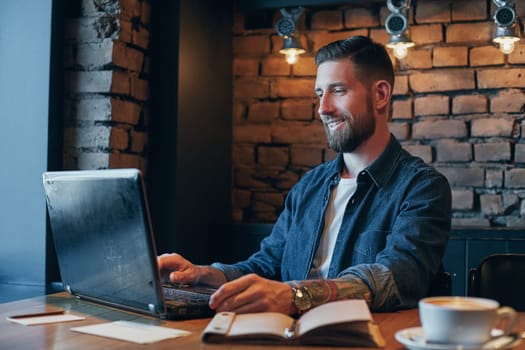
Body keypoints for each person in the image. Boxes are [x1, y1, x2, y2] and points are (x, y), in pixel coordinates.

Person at [158, 35, 451, 315]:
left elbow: (397, 276)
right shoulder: (309, 186)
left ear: (380, 94)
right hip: (284, 333)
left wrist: (295, 296)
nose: (323, 108)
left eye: (338, 90)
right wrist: (201, 274)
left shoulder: (422, 187)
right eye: (320, 94)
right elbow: (266, 266)